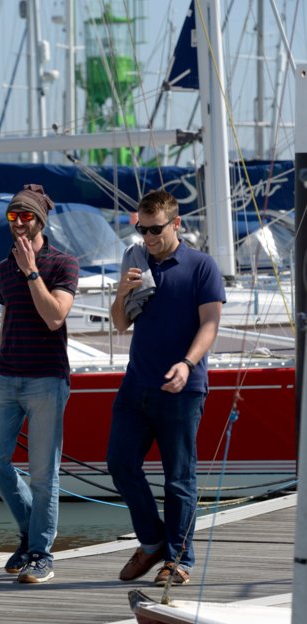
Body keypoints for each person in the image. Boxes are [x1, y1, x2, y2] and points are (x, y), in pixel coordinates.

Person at [107, 189, 225, 586]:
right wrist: (123, 290)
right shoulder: (136, 261)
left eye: (155, 229)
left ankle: (178, 559)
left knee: (179, 478)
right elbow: (120, 324)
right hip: (136, 383)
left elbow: (210, 325)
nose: (149, 237)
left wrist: (187, 364)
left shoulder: (201, 266)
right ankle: (154, 539)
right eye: (142, 229)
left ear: (175, 223)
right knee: (120, 464)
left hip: (182, 388)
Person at [0, 184, 79, 584]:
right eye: (13, 216)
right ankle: (28, 531)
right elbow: (11, 319)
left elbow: (55, 316)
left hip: (46, 379)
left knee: (43, 473)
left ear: (41, 220)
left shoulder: (62, 264)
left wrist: (32, 271)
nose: (19, 223)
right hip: (6, 376)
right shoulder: (5, 268)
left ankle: (40, 552)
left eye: (27, 217)